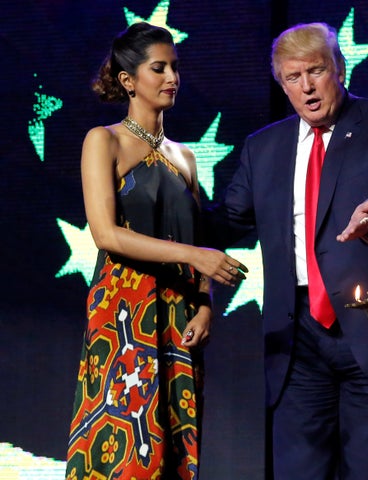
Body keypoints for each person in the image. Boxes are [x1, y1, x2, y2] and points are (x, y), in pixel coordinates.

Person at [204, 22, 368, 480]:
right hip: (296, 335)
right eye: (292, 77)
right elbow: (228, 219)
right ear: (281, 84)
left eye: (316, 71)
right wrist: (166, 191)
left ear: (339, 69)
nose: (306, 86)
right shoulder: (263, 147)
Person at [64, 22, 247, 479]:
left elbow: (197, 238)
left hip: (179, 316)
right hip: (122, 312)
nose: (172, 78)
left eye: (175, 68)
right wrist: (192, 257)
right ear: (128, 80)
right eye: (158, 68)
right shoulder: (102, 141)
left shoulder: (185, 157)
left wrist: (205, 305)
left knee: (176, 449)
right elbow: (105, 234)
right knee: (125, 447)